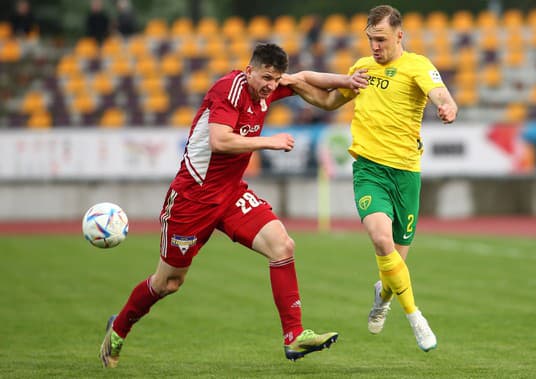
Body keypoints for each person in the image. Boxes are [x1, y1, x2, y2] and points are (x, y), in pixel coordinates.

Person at [99, 43, 368, 368]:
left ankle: (293, 336)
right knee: (168, 283)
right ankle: (120, 326)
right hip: (193, 199)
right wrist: (269, 141)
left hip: (231, 194)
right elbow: (220, 140)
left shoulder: (267, 88)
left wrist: (346, 80)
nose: (271, 85)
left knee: (282, 246)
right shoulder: (229, 89)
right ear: (249, 71)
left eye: (275, 78)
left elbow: (304, 79)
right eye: (266, 77)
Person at [282, 4, 458, 352]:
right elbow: (330, 101)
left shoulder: (417, 66)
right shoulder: (361, 68)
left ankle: (383, 296)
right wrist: (297, 85)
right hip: (369, 170)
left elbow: (439, 92)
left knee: (394, 266)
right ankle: (416, 317)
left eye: (380, 39)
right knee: (381, 241)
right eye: (370, 40)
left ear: (398, 36)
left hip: (406, 174)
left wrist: (447, 105)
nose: (375, 46)